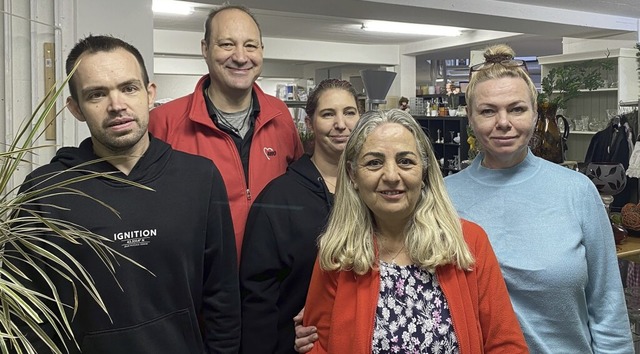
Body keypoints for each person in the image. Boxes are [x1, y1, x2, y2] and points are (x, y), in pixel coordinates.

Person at [15, 35, 240, 353]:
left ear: (150, 95)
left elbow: (223, 295)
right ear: (76, 108)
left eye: (128, 88)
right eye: (97, 94)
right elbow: (27, 314)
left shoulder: (199, 178)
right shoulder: (44, 192)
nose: (116, 105)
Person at [445, 44, 633, 352]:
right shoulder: (443, 196)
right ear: (470, 116)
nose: (502, 122)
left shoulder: (576, 191)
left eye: (516, 109)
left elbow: (607, 305)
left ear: (535, 114)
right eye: (488, 110)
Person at [301, 109, 528, 353]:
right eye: (374, 162)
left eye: (405, 161)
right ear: (352, 174)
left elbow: (505, 344)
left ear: (425, 172)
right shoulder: (338, 254)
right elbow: (317, 345)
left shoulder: (467, 244)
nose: (391, 175)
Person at [149, 4, 304, 258]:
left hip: (270, 282)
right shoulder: (164, 122)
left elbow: (298, 192)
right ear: (205, 49)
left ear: (262, 51)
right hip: (200, 283)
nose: (241, 57)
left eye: (251, 46)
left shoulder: (280, 116)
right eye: (227, 44)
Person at [239, 79, 361, 354]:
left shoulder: (375, 190)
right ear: (309, 122)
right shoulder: (279, 199)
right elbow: (258, 298)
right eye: (328, 114)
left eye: (349, 112)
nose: (341, 124)